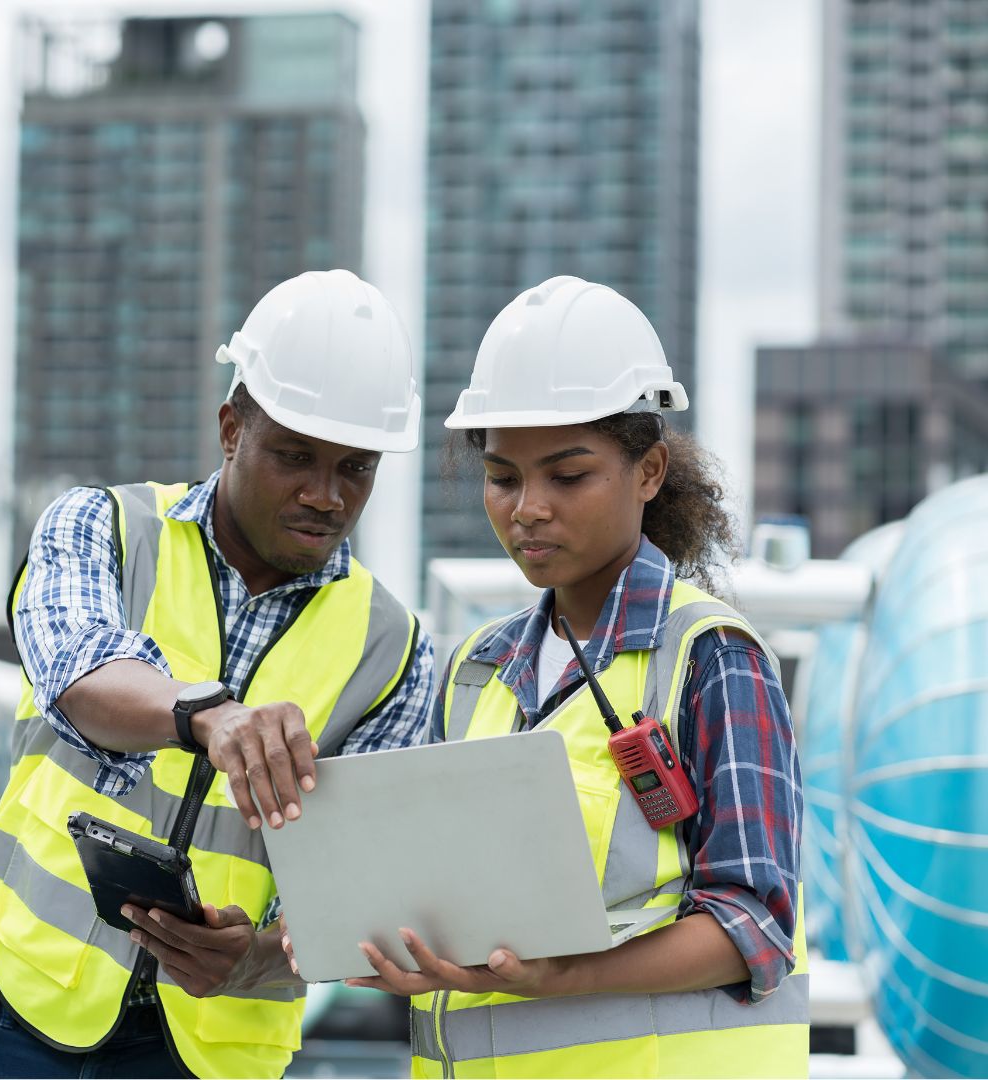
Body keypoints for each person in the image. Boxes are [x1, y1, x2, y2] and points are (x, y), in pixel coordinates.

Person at [0, 269, 436, 1080]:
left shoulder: (398, 650)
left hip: (212, 1053)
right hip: (22, 1020)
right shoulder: (104, 527)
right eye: (295, 456)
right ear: (231, 428)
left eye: (356, 467)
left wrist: (259, 957)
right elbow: (77, 672)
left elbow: (369, 899)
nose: (325, 494)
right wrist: (209, 713)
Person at [325, 276, 808, 1078]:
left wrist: (564, 977)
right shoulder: (477, 669)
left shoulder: (711, 657)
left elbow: (754, 924)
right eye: (505, 476)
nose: (528, 508)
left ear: (648, 470)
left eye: (568, 475)